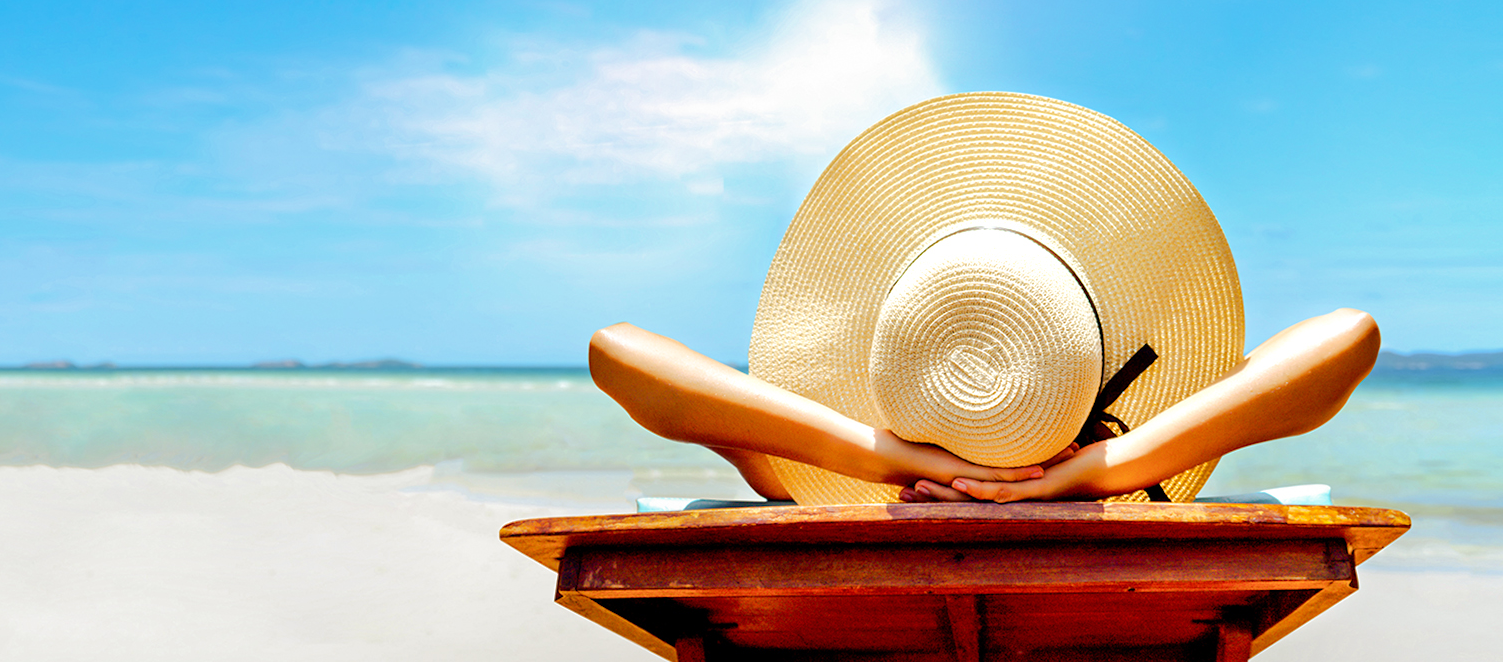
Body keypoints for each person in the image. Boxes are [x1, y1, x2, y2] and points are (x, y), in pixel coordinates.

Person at [585, 92, 1383, 505]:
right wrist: (1107, 469)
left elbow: (617, 350)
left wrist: (884, 460)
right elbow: (1348, 337)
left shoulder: (816, 461)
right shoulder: (1136, 447)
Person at [588, 308, 1379, 504]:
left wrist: (1092, 470)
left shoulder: (820, 467)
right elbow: (615, 348)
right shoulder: (841, 459)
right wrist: (1099, 474)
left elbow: (1351, 335)